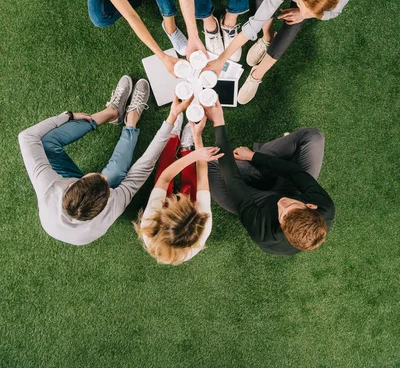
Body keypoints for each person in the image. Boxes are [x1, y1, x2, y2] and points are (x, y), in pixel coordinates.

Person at [18, 77, 190, 246]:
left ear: (71, 185)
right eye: (107, 185)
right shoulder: (112, 207)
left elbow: (26, 137)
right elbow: (144, 166)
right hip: (86, 212)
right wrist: (171, 119)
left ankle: (112, 113)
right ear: (104, 203)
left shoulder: (48, 186)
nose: (104, 177)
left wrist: (68, 116)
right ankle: (131, 120)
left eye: (99, 177)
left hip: (61, 188)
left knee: (46, 143)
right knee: (115, 172)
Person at [207, 0, 352, 104]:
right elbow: (256, 21)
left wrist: (303, 15)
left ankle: (257, 75)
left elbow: (331, 13)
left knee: (294, 23)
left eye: (310, 11)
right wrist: (221, 59)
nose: (304, 12)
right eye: (302, 6)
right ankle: (267, 37)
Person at [205, 101, 335, 256]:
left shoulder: (264, 234)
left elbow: (233, 181)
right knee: (313, 137)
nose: (281, 204)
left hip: (257, 205)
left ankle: (261, 171)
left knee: (211, 163)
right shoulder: (325, 207)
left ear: (282, 228)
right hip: (289, 188)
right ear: (311, 206)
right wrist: (254, 156)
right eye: (291, 205)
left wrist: (218, 122)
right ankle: (259, 163)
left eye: (282, 214)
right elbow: (294, 173)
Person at [135, 113, 222, 265]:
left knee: (161, 178)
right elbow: (202, 180)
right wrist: (197, 139)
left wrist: (197, 154)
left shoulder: (149, 221)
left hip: (159, 220)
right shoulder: (204, 224)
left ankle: (173, 137)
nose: (178, 198)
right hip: (176, 222)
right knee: (192, 189)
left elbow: (165, 178)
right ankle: (186, 147)